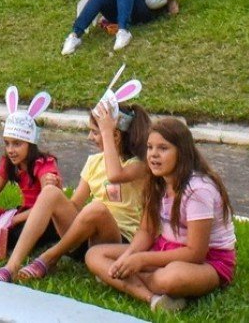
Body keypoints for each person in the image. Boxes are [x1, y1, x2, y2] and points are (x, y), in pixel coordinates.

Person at [86, 117, 235, 312]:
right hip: (164, 249)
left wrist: (141, 261)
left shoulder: (198, 189)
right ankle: (153, 299)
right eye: (150, 147)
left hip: (208, 261)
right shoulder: (156, 181)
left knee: (171, 278)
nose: (153, 155)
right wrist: (129, 255)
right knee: (94, 255)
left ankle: (121, 278)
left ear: (181, 152)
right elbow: (146, 231)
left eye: (163, 148)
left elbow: (196, 253)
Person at [1, 88, 150, 284]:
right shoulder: (93, 162)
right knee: (50, 193)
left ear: (115, 136)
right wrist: (58, 191)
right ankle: (11, 266)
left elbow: (115, 175)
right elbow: (75, 206)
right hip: (83, 240)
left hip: (117, 242)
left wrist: (106, 129)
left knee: (97, 208)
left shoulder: (139, 165)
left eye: (95, 132)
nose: (90, 137)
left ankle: (50, 257)